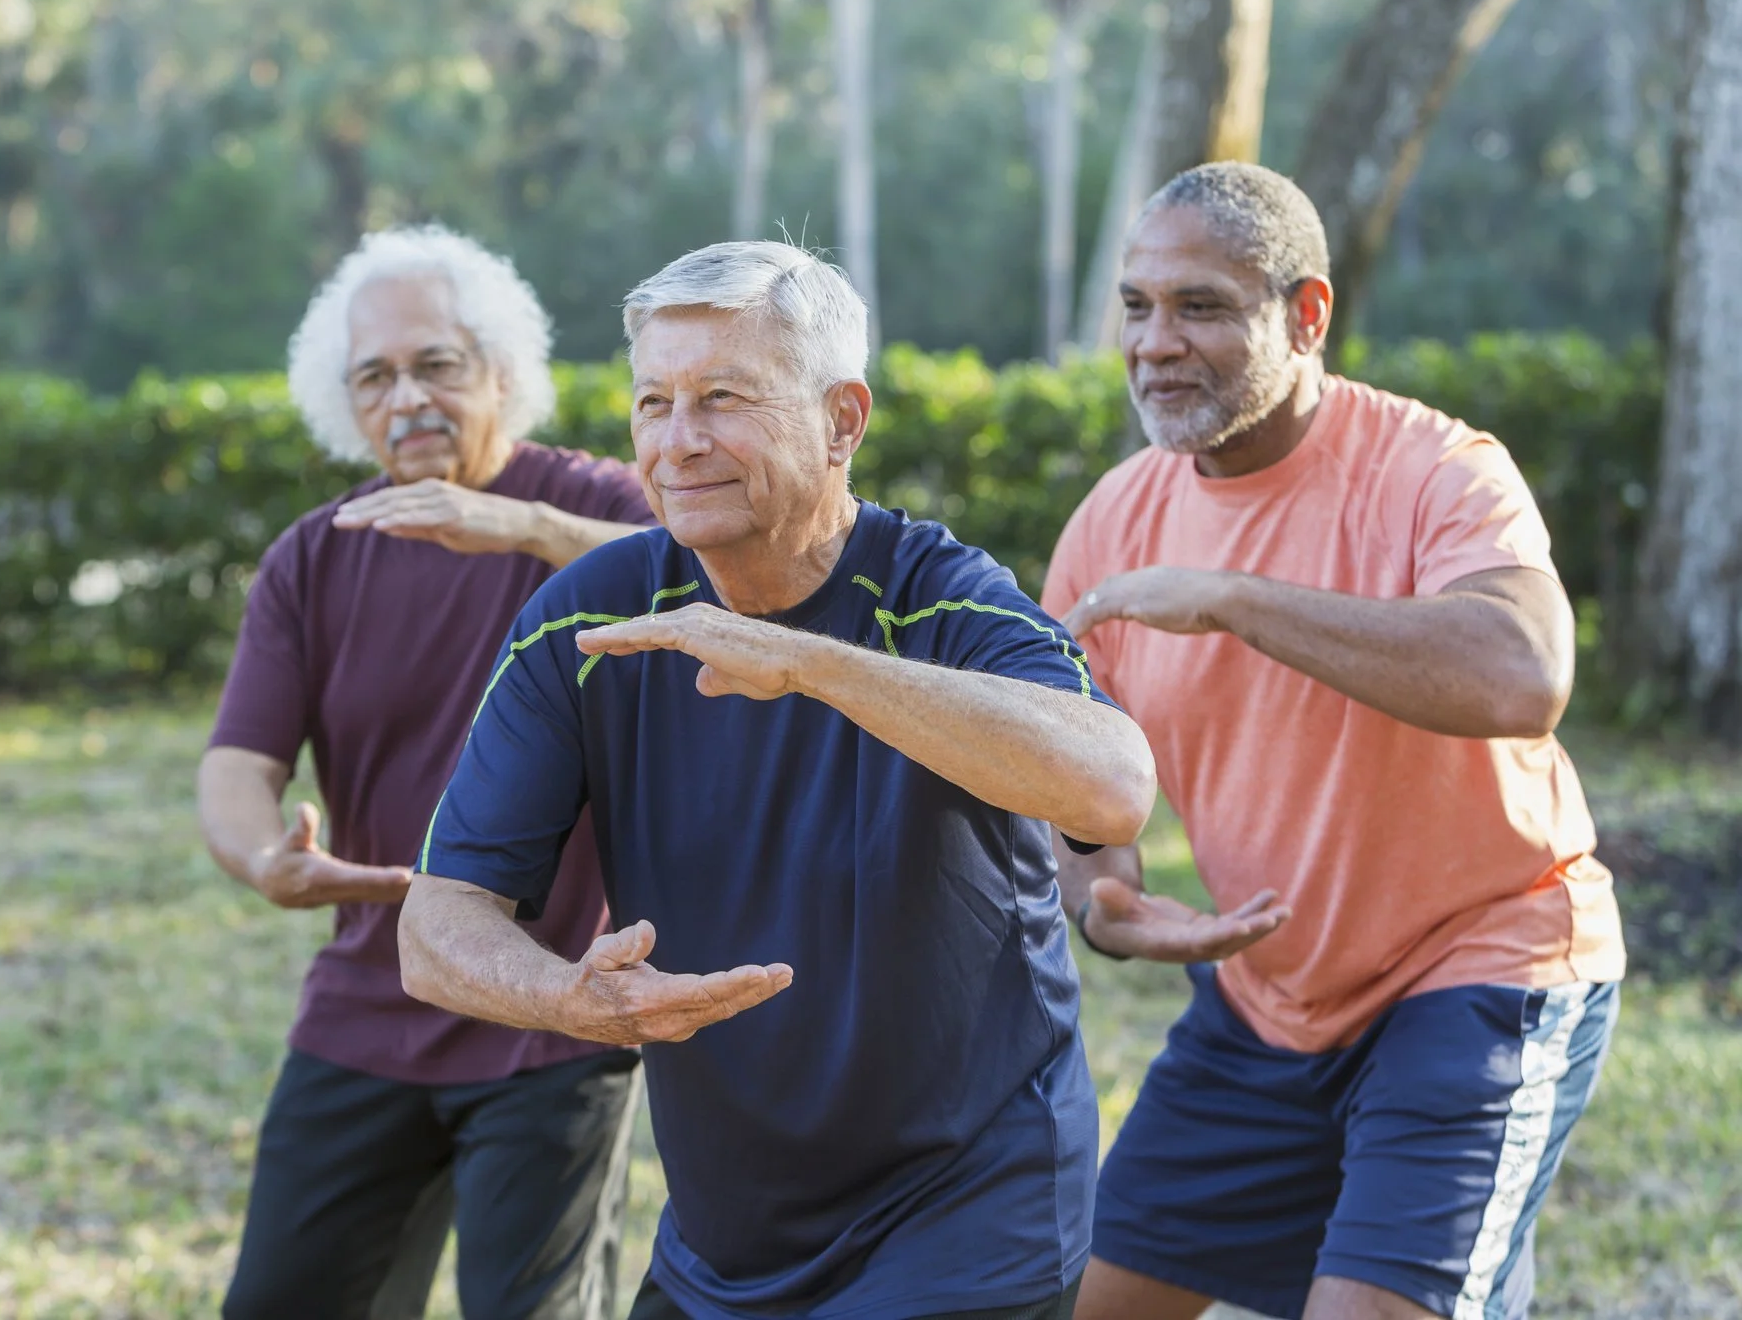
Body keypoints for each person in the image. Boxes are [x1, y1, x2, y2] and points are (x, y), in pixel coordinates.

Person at [397, 240, 1158, 1320]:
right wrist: (568, 997)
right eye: (653, 402)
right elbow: (434, 928)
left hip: (969, 1216)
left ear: (843, 419)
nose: (677, 440)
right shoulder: (590, 618)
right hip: (727, 1239)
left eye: (722, 397)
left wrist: (808, 662)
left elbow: (1114, 786)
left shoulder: (940, 597)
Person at [1040, 163, 1627, 1320]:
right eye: (1139, 306)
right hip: (1266, 998)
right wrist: (1104, 895)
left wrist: (1232, 597)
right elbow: (1070, 765)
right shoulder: (1111, 522)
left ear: (1306, 316)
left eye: (1202, 305)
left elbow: (1523, 673)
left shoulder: (1439, 468)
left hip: (1482, 968)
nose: (1156, 342)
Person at [199, 225, 656, 1320]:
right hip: (373, 998)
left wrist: (517, 526)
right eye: (375, 376)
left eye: (436, 365)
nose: (406, 398)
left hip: (556, 1004)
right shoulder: (316, 555)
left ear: (502, 370)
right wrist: (265, 856)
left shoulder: (596, 509)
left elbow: (705, 578)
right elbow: (236, 763)